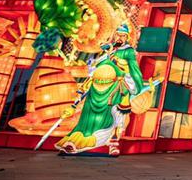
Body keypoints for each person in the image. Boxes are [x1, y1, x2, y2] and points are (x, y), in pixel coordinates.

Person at [55, 24, 144, 156]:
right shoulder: (108, 51)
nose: (120, 38)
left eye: (123, 36)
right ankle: (77, 141)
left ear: (127, 38)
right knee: (88, 117)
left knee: (115, 114)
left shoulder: (128, 51)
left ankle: (112, 143)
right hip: (96, 88)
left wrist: (120, 64)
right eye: (118, 35)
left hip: (114, 87)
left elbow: (131, 68)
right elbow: (95, 68)